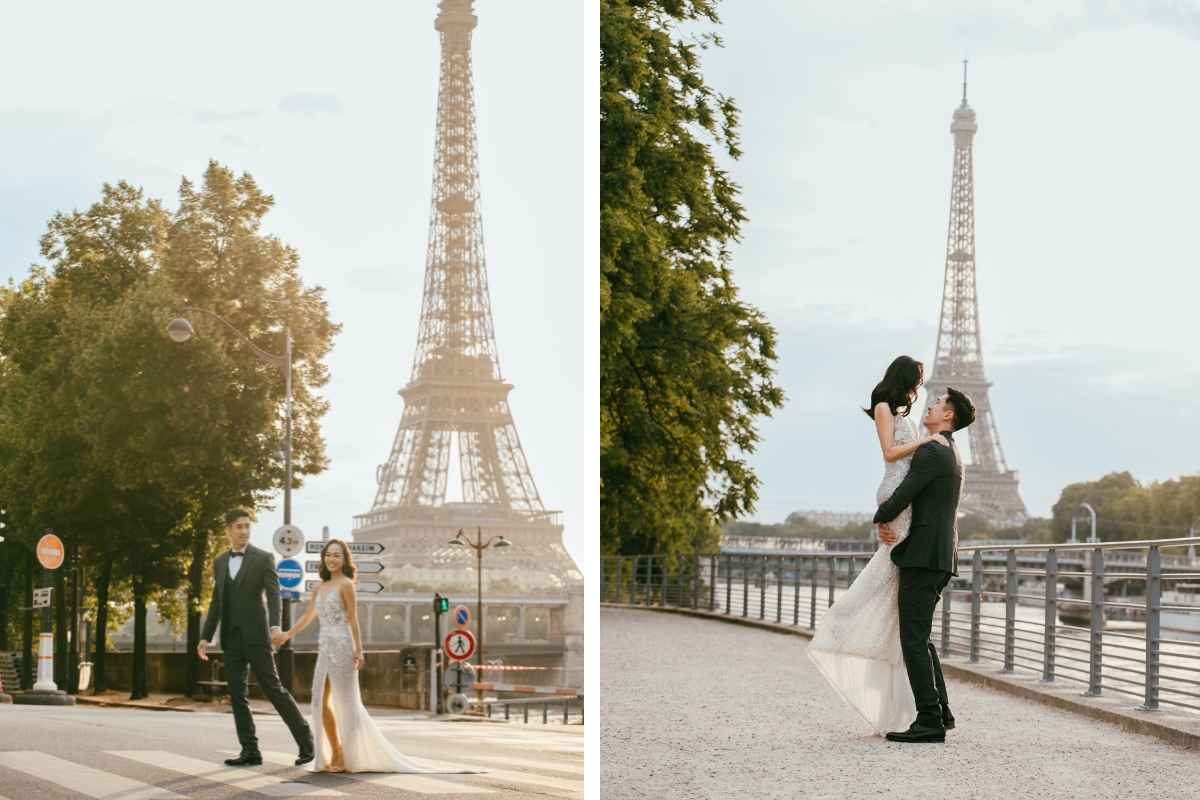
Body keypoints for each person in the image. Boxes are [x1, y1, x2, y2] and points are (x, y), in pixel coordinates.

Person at [806, 356, 948, 735]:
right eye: (918, 378)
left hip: (904, 497)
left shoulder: (902, 413)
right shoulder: (885, 408)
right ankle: (851, 630)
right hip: (896, 492)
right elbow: (889, 453)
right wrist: (926, 440)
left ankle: (916, 692)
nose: (921, 385)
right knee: (895, 579)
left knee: (899, 591)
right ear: (905, 376)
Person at [278, 539, 488, 774]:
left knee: (347, 704)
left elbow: (353, 619)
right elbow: (307, 617)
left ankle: (347, 754)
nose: (331, 559)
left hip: (342, 646)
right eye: (328, 555)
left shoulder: (346, 584)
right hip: (325, 648)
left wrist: (358, 650)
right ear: (323, 559)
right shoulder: (320, 586)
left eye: (337, 555)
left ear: (344, 560)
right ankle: (335, 750)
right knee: (318, 701)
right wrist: (286, 635)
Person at [875, 385, 975, 743]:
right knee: (922, 638)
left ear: (948, 415)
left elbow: (905, 494)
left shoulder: (932, 451)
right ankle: (940, 712)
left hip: (924, 554)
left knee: (912, 640)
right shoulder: (952, 451)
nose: (929, 404)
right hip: (940, 552)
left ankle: (929, 719)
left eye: (937, 403)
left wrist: (879, 518)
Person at [199, 509, 314, 766]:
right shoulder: (219, 562)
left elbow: (274, 595)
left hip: (257, 636)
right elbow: (217, 602)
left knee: (274, 690)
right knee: (237, 695)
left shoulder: (263, 558)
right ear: (228, 530)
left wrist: (275, 626)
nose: (244, 531)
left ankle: (306, 740)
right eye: (239, 527)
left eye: (247, 526)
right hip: (231, 638)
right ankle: (250, 749)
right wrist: (205, 636)